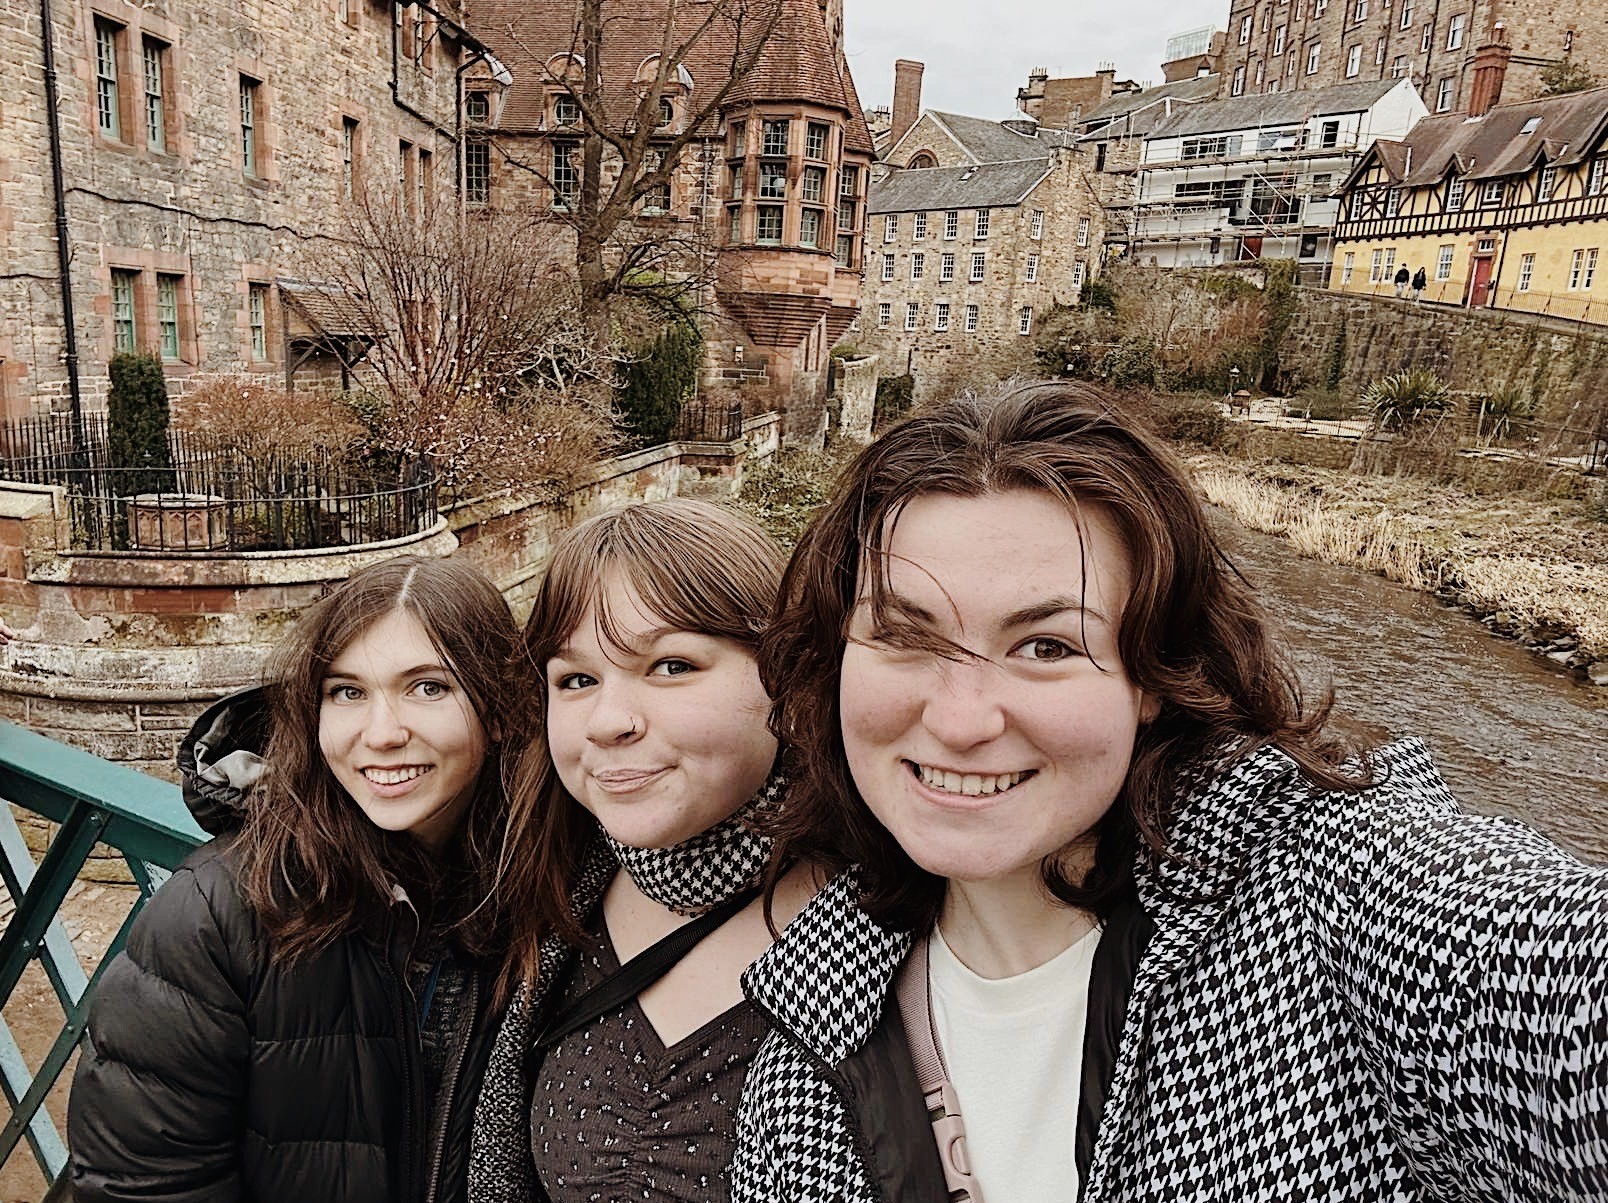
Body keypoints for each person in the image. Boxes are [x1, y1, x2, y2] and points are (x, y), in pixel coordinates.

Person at [731, 381, 1608, 1201]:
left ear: (1152, 678)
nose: (961, 720)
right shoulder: (806, 1042)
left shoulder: (1326, 894)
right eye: (904, 634)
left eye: (1047, 646)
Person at [69, 555, 544, 1203]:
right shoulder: (217, 914)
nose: (381, 733)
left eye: (427, 686)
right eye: (347, 691)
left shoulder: (547, 885)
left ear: (495, 709)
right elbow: (141, 1183)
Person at [469, 498, 820, 1203]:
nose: (609, 721)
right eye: (577, 679)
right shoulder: (548, 894)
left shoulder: (896, 918)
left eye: (670, 665)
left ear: (783, 677)